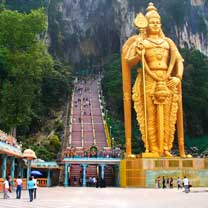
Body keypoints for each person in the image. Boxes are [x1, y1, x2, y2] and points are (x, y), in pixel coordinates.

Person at [122, 2, 186, 157]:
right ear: (147, 25)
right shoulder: (142, 42)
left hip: (167, 79)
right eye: (152, 22)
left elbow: (179, 61)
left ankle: (165, 147)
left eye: (157, 22)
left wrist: (177, 77)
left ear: (161, 24)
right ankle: (153, 149)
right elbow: (128, 61)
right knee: (150, 116)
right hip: (149, 80)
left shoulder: (168, 42)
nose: (155, 24)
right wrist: (138, 53)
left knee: (167, 116)